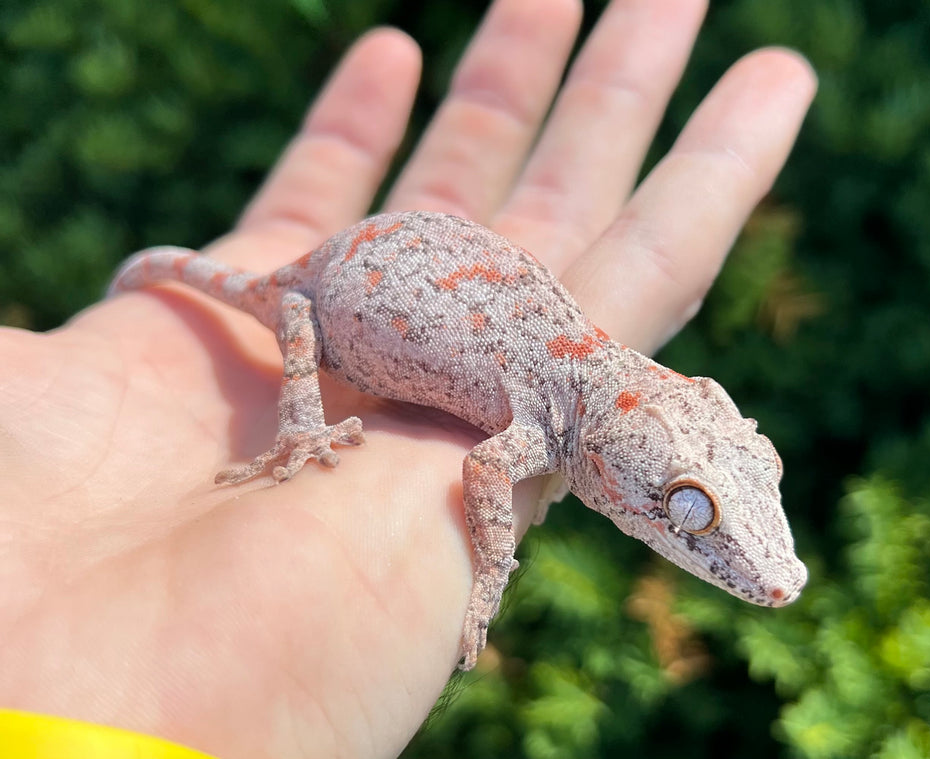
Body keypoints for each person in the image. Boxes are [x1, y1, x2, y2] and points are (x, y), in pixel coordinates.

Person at [0, 0, 815, 756]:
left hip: (385, 262)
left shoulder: (574, 403)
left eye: (696, 507)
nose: (720, 551)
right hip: (314, 301)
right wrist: (490, 561)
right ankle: (223, 336)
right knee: (286, 321)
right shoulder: (548, 419)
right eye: (687, 509)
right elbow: (486, 466)